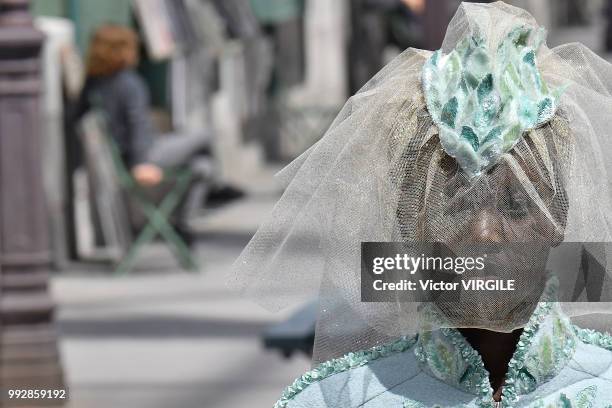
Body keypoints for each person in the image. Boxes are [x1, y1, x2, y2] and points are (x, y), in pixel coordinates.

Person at [231, 2, 612, 407]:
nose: (483, 234)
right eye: (455, 204)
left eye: (516, 205)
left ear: (559, 215)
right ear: (409, 218)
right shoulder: (335, 400)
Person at [77, 24, 215, 240]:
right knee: (206, 134)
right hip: (146, 153)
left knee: (203, 166)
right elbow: (138, 124)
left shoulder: (92, 84)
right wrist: (142, 163)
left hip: (120, 159)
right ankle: (184, 221)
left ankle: (184, 223)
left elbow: (77, 118)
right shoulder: (129, 83)